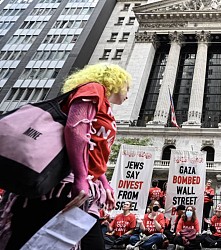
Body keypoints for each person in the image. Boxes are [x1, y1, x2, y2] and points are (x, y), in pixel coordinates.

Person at [0, 63, 131, 249]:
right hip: (61, 184)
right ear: (115, 81)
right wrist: (80, 177)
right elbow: (76, 129)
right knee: (28, 240)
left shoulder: (106, 109)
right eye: (128, 87)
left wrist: (104, 182)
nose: (128, 93)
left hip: (84, 189)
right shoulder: (94, 88)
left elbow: (93, 151)